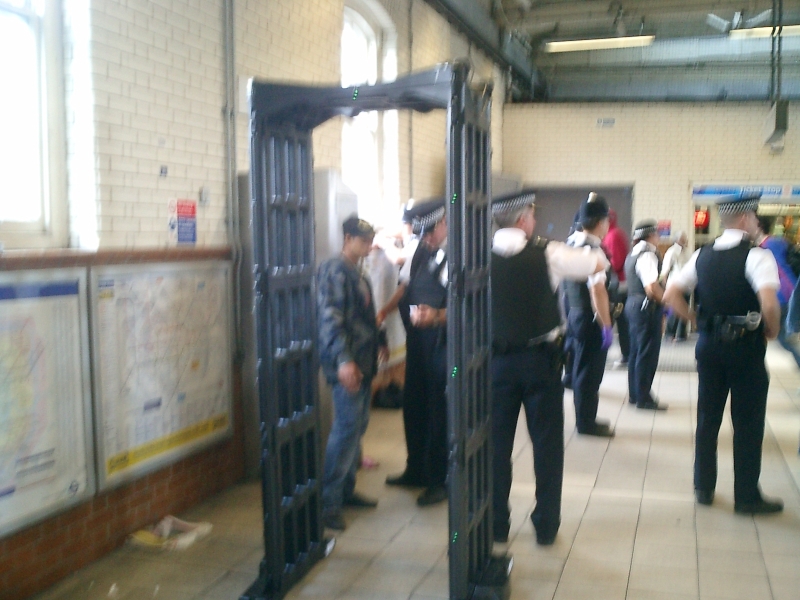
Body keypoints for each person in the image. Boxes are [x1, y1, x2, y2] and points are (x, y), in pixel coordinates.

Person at [490, 190, 609, 546]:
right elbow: (597, 265)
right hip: (540, 362)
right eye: (532, 214)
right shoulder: (549, 253)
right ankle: (545, 524)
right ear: (524, 218)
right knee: (546, 445)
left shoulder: (475, 258)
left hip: (495, 364)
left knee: (496, 447)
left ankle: (496, 523)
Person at [664, 191, 783, 514]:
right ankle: (746, 496)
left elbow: (671, 293)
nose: (757, 223)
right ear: (745, 219)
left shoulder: (701, 256)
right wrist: (771, 330)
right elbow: (769, 303)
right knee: (747, 422)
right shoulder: (757, 257)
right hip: (745, 349)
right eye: (755, 217)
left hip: (709, 348)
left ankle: (703, 487)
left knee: (707, 418)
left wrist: (692, 320)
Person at [317, 216, 388, 530]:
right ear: (347, 238)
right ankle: (328, 503)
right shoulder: (334, 271)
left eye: (370, 239)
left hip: (363, 362)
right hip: (348, 364)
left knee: (357, 428)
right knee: (345, 431)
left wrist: (381, 341)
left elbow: (368, 315)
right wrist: (344, 361)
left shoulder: (357, 272)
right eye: (363, 240)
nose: (368, 245)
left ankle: (345, 491)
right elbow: (330, 321)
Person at [378, 199, 449, 507]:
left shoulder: (451, 259)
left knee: (438, 413)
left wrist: (437, 315)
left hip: (440, 346)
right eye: (444, 222)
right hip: (416, 344)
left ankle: (439, 480)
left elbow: (464, 304)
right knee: (414, 407)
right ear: (434, 228)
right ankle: (415, 469)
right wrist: (383, 312)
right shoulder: (418, 253)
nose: (447, 226)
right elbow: (405, 288)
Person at [564, 193, 615, 437]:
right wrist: (606, 325)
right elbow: (598, 290)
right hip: (590, 318)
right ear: (600, 221)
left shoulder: (571, 243)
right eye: (606, 220)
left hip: (573, 315)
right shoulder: (594, 252)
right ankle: (586, 423)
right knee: (589, 373)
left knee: (579, 367)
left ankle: (585, 419)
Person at [625, 220, 668, 410]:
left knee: (636, 352)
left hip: (633, 304)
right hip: (646, 308)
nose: (658, 238)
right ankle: (643, 397)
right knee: (647, 353)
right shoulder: (648, 254)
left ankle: (635, 394)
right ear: (651, 235)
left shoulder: (633, 253)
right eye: (657, 234)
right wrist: (667, 301)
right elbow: (651, 287)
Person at [754, 215, 800, 369]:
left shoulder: (766, 247)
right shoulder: (779, 242)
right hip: (791, 293)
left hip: (783, 296)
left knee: (784, 338)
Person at [602, 208, 631, 369]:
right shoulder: (615, 234)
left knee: (619, 321)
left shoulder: (612, 235)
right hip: (620, 283)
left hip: (617, 286)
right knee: (622, 322)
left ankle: (626, 354)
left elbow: (617, 262)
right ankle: (626, 353)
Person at [661, 231, 690, 341]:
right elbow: (665, 271)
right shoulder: (671, 252)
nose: (685, 240)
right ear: (678, 239)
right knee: (674, 310)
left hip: (686, 285)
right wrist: (665, 288)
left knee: (685, 308)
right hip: (674, 285)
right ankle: (670, 333)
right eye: (683, 238)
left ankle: (682, 334)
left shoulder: (687, 252)